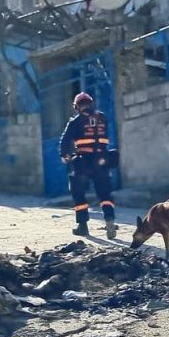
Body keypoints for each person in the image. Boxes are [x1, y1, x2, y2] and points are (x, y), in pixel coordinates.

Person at [59, 92, 117, 239]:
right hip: (102, 160)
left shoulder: (75, 121)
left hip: (83, 161)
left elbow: (65, 141)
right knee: (105, 193)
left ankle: (83, 226)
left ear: (77, 107)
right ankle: (109, 219)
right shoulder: (102, 118)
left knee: (78, 193)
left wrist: (65, 155)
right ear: (91, 103)